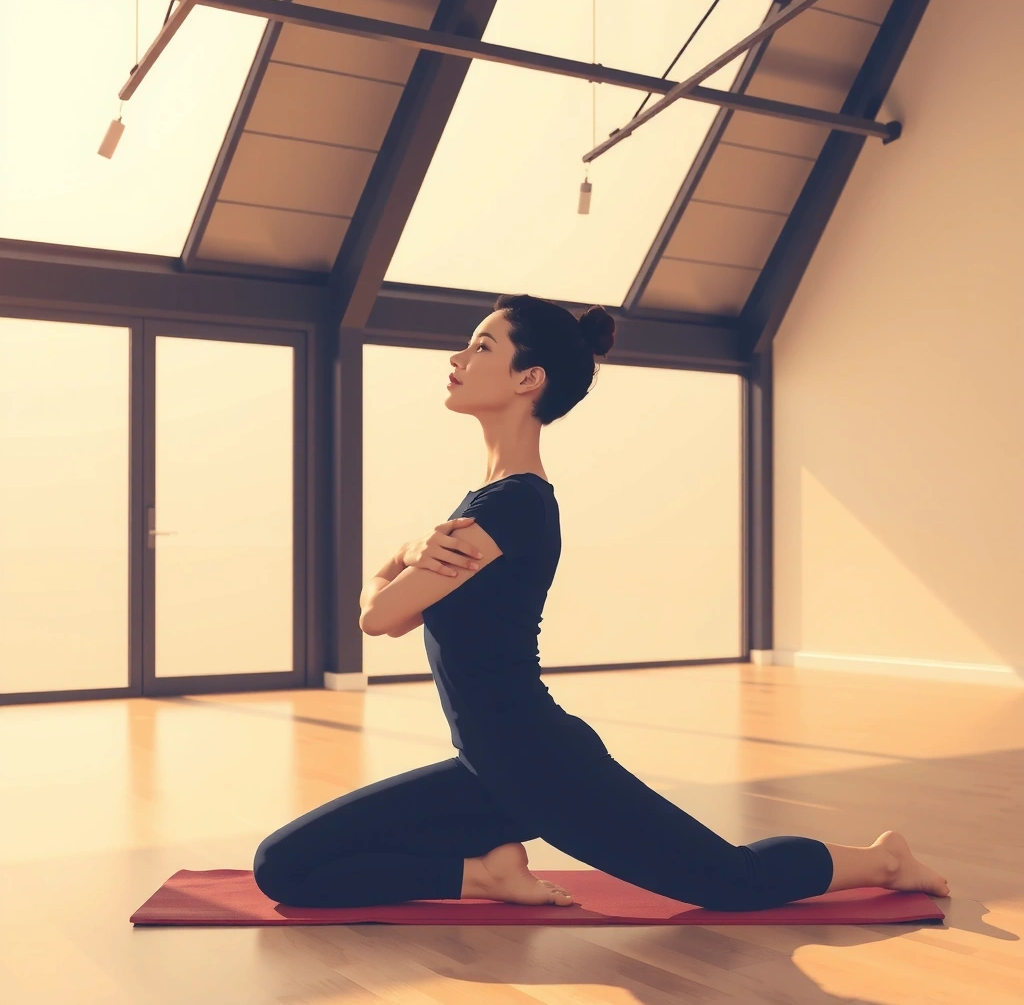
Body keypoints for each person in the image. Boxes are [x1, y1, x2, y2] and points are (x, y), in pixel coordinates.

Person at [252, 293, 949, 911]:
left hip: (545, 769)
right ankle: (485, 875)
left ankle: (885, 859)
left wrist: (399, 559)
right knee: (282, 868)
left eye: (483, 345)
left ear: (530, 380)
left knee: (731, 884)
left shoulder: (513, 507)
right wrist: (406, 552)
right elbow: (391, 621)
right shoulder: (482, 507)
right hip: (486, 770)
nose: (458, 356)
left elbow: (376, 615)